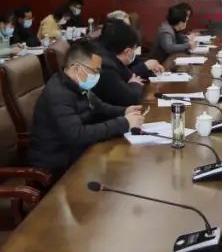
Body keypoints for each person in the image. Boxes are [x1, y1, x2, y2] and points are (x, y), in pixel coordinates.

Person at [27, 41, 145, 177]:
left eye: (99, 71)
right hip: (57, 165)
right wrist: (123, 123)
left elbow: (99, 107)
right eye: (94, 71)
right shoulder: (58, 95)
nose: (97, 75)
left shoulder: (76, 84)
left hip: (77, 154)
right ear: (76, 69)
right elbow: (77, 135)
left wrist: (125, 111)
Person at [93, 20, 146, 107]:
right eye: (135, 48)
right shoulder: (106, 67)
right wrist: (134, 84)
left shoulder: (104, 54)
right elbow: (130, 99)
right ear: (127, 51)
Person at [106, 12, 164, 77]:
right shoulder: (106, 48)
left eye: (129, 26)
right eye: (124, 27)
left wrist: (151, 67)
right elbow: (120, 75)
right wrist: (145, 66)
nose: (129, 30)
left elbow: (135, 62)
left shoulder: (129, 40)